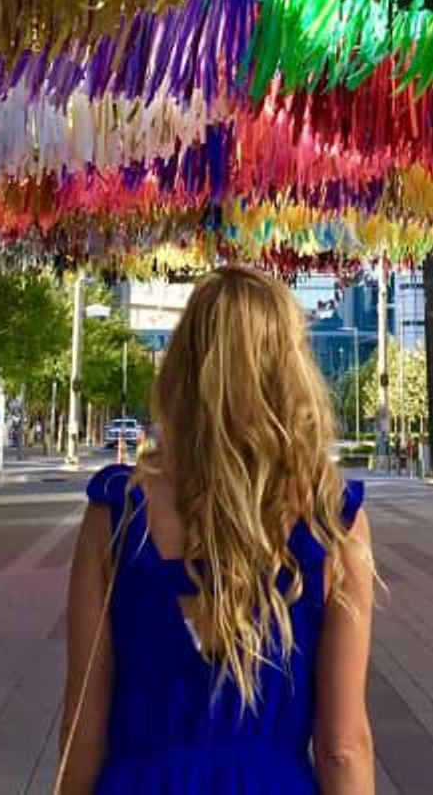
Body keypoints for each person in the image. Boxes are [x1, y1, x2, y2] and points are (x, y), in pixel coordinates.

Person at [57, 265, 376, 794]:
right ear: (291, 372)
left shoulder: (118, 513)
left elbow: (81, 721)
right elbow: (343, 745)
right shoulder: (330, 521)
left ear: (181, 369)